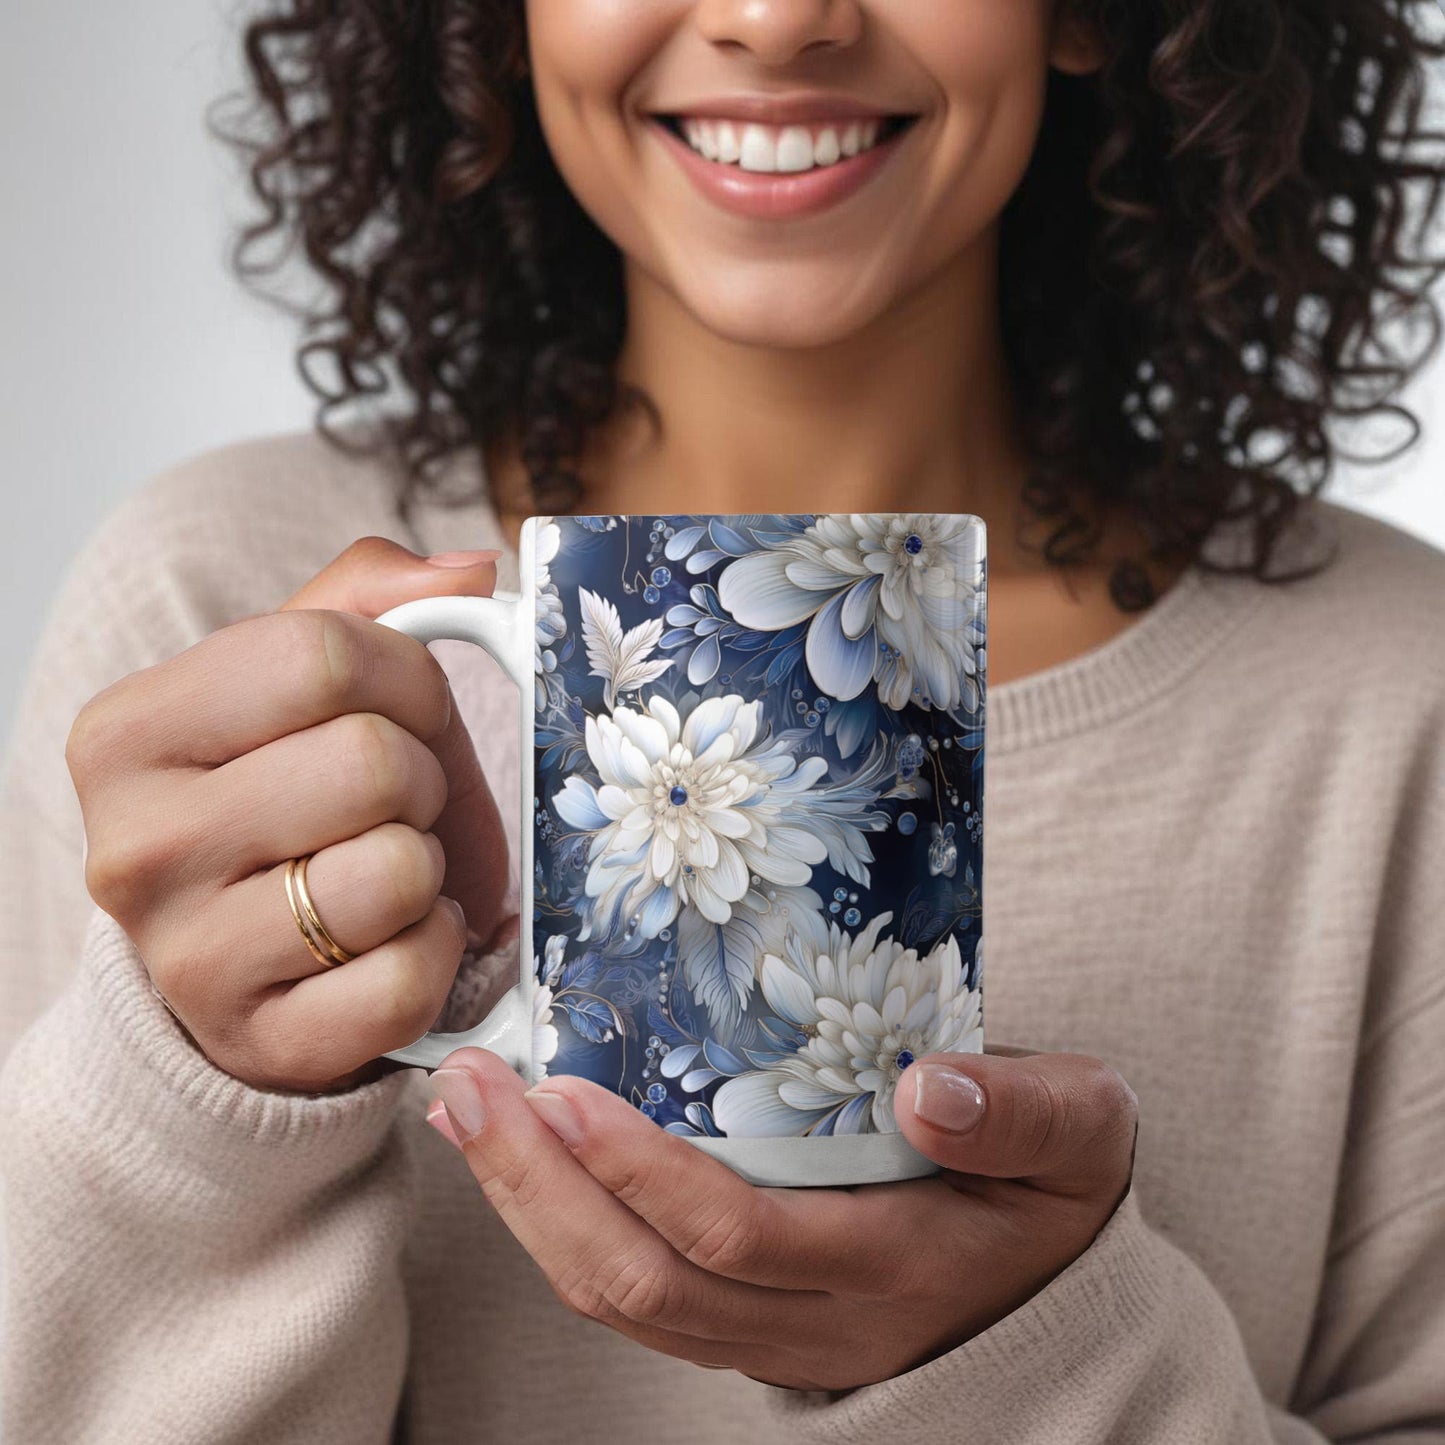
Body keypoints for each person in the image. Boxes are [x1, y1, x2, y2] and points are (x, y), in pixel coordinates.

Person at [2, 1, 1443, 1440]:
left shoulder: (1394, 698)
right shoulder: (214, 611)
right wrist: (190, 1102)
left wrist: (1051, 1363)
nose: (774, 18)